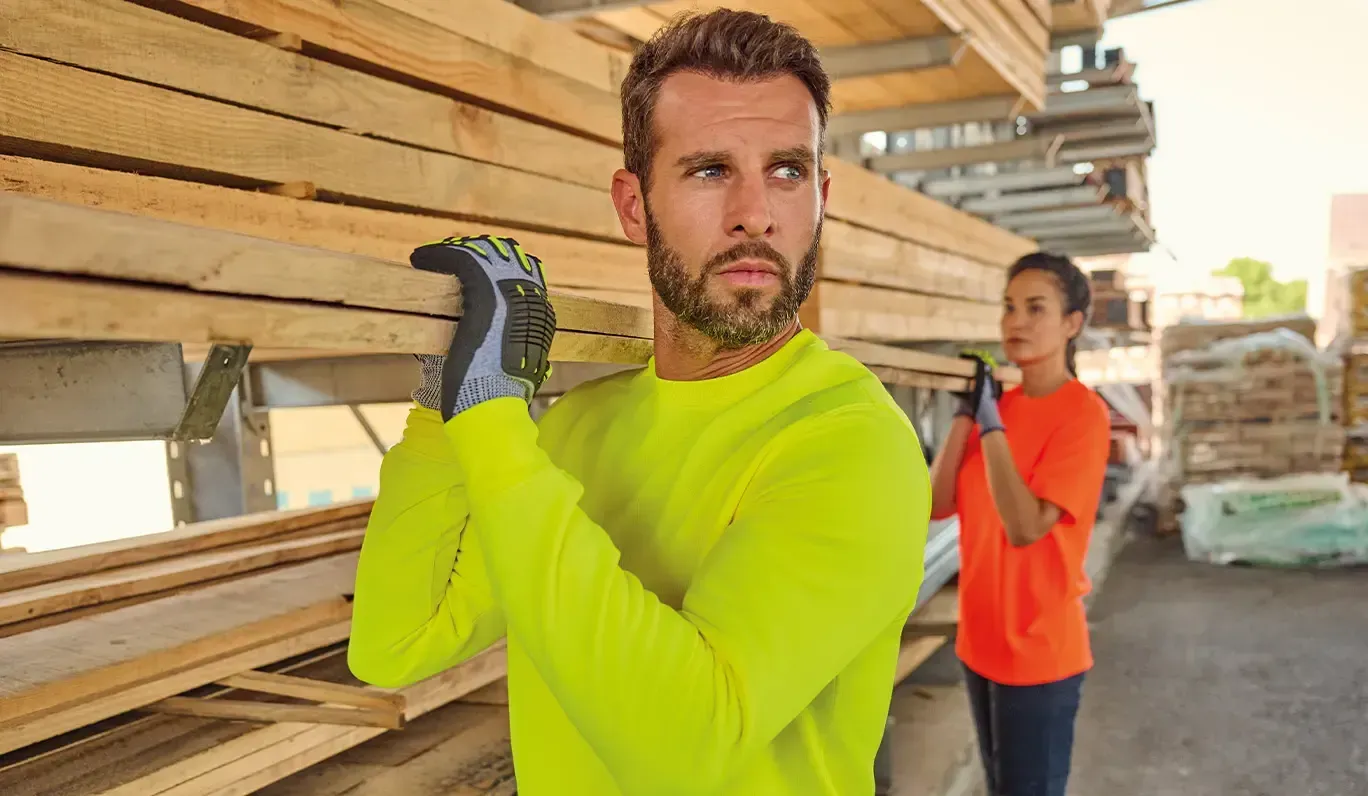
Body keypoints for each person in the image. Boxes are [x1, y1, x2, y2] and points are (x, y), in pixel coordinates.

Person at [347, 9, 931, 795]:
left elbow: (689, 744)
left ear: (822, 198)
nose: (756, 212)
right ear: (632, 206)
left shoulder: (850, 443)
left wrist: (491, 410)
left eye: (787, 171)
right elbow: (396, 645)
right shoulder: (577, 429)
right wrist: (441, 413)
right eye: (710, 170)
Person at [928, 252, 1111, 796]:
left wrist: (990, 427)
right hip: (980, 640)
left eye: (1036, 308)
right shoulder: (999, 409)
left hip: (1039, 652)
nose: (1016, 322)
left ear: (1072, 323)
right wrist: (966, 416)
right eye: (1009, 307)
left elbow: (1026, 526)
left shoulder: (1083, 414)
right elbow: (936, 502)